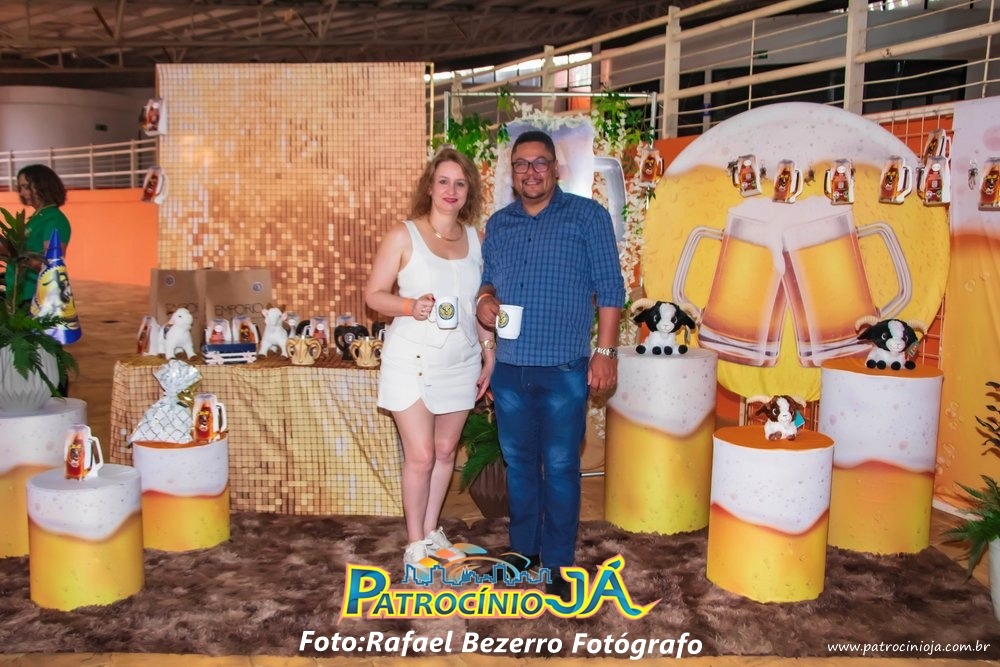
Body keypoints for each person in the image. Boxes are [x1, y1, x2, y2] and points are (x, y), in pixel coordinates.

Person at [475, 129, 624, 601]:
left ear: (556, 169)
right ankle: (524, 553)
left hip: (564, 368)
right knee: (519, 465)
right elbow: (488, 282)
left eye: (540, 162)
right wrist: (483, 300)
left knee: (560, 467)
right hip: (510, 369)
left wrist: (605, 353)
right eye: (521, 164)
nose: (531, 172)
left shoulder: (587, 216)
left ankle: (558, 563)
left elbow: (611, 289)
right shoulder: (500, 225)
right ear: (512, 172)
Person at [364, 147, 495, 568]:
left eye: (460, 183)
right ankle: (415, 543)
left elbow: (477, 305)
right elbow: (373, 295)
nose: (451, 190)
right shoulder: (403, 235)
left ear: (469, 191)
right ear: (430, 186)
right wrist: (409, 306)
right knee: (420, 455)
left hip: (461, 361)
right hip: (412, 360)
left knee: (444, 451)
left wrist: (488, 353)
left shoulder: (476, 240)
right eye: (443, 181)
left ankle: (432, 530)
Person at [2, 164, 72, 307]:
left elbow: (50, 264)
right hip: (17, 295)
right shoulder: (37, 217)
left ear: (43, 186)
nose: (22, 193)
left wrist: (17, 255)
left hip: (34, 298)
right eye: (20, 188)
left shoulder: (54, 219)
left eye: (26, 187)